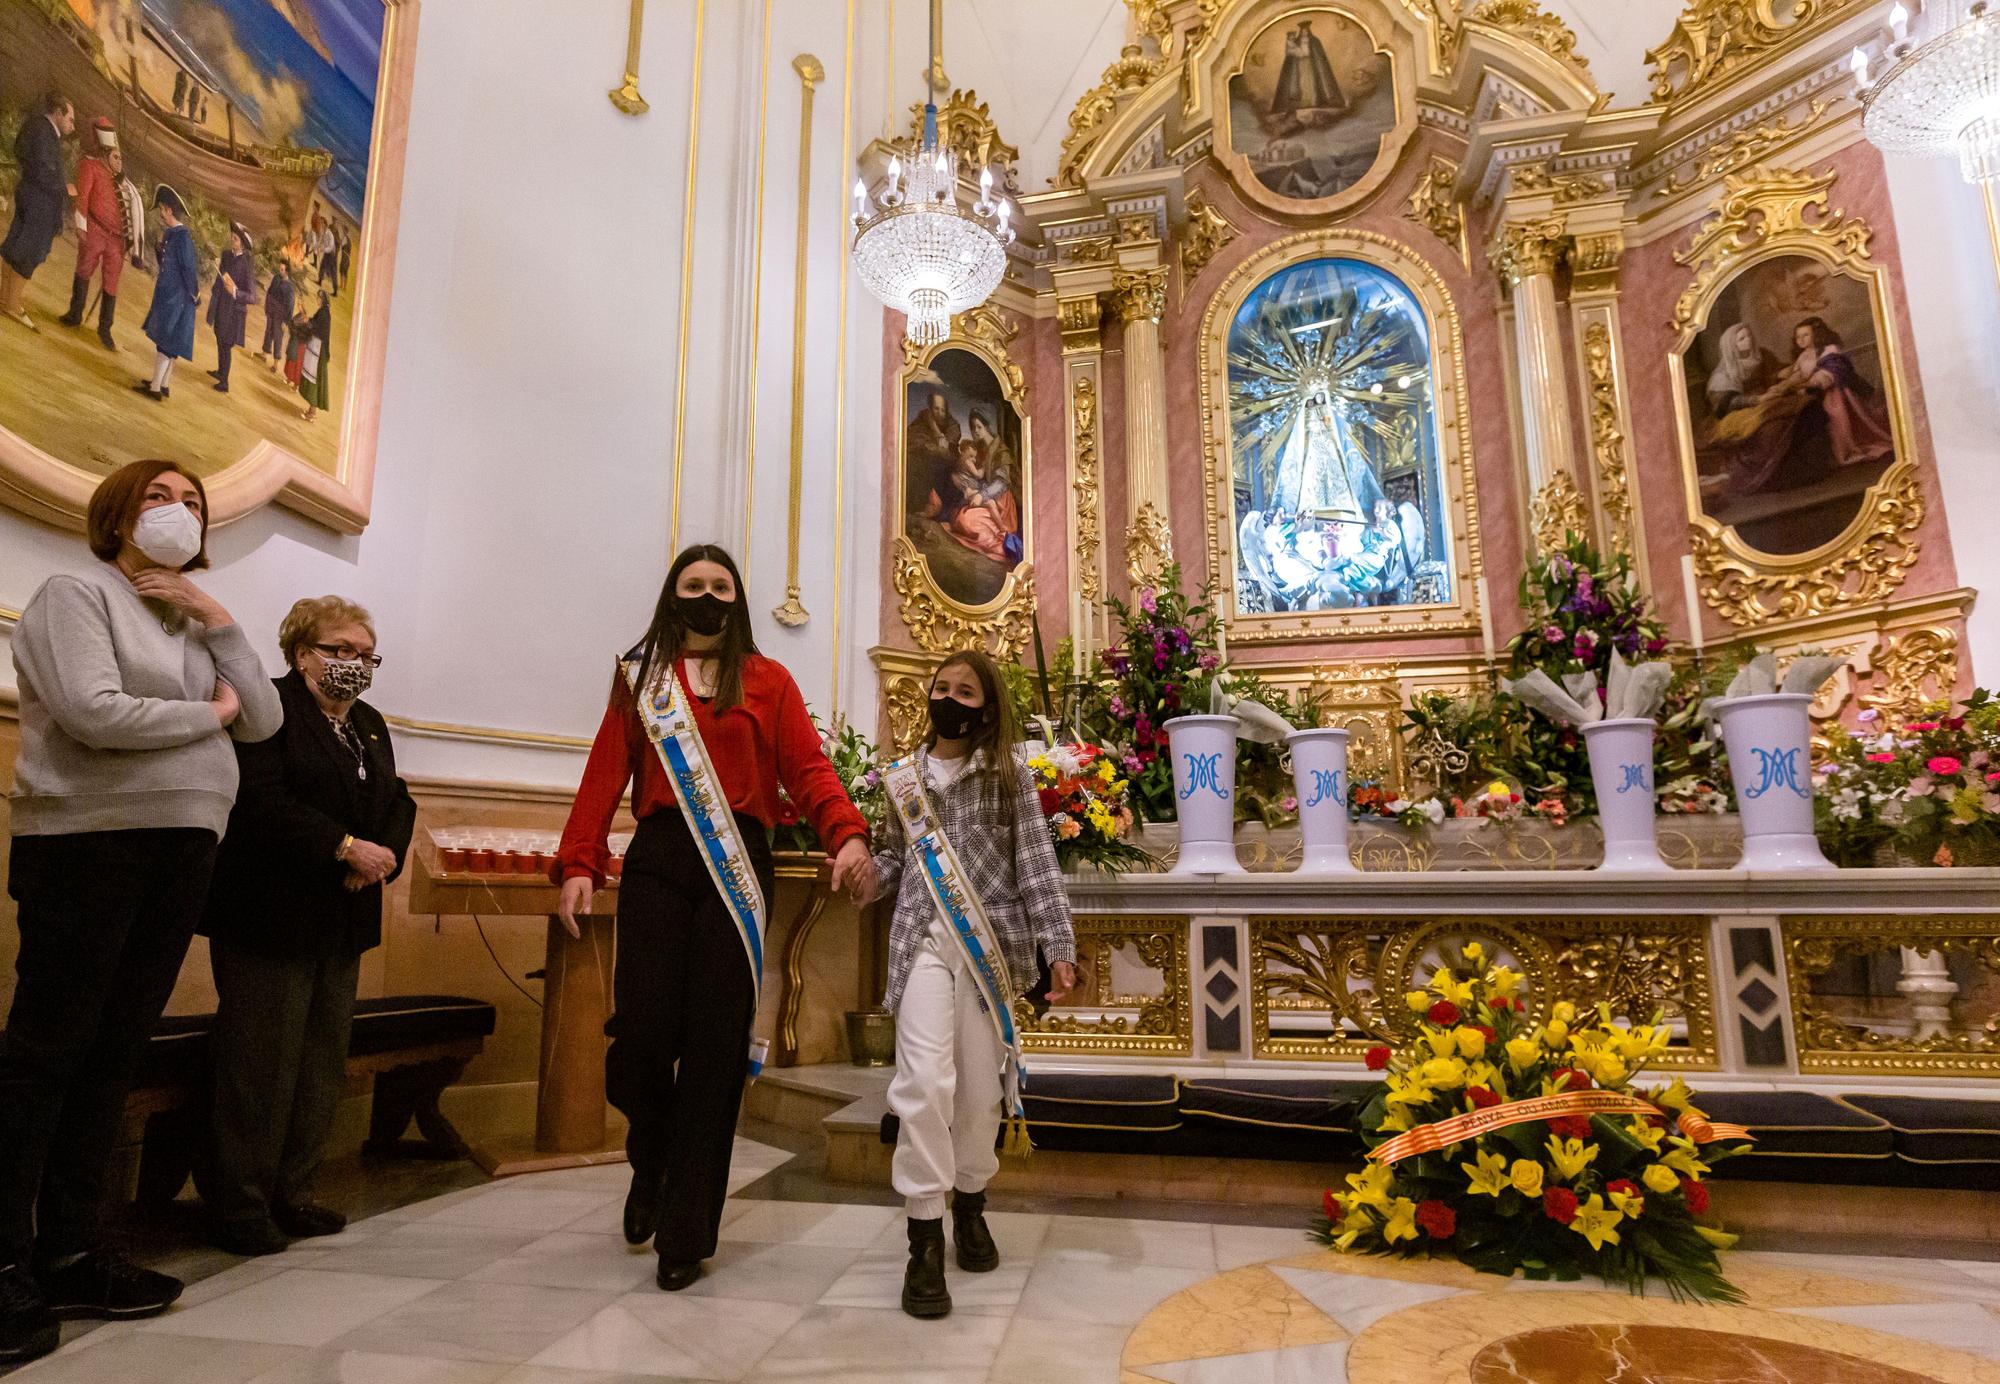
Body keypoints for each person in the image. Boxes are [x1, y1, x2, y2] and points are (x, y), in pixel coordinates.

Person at [0, 461, 284, 1366]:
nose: (179, 512)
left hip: (184, 844)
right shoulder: (73, 592)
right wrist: (210, 717)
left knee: (114, 1052)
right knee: (47, 1052)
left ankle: (76, 1248)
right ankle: (5, 1260)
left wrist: (225, 628)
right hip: (88, 842)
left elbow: (266, 721)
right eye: (160, 497)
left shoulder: (193, 622)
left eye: (194, 503)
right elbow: (92, 712)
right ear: (120, 512)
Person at [554, 544, 876, 1292]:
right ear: (672, 596)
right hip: (661, 860)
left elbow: (809, 772)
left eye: (720, 585)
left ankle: (686, 1231)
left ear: (738, 598)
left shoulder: (769, 681)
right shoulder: (641, 680)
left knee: (715, 1049)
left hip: (738, 865)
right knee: (640, 1038)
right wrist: (579, 862)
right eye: (692, 585)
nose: (707, 595)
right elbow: (606, 772)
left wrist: (848, 834)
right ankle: (651, 1152)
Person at [196, 597, 413, 1257]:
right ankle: (239, 1205)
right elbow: (259, 801)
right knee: (259, 1064)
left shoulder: (369, 723)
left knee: (319, 1062)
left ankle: (293, 1192)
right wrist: (343, 846)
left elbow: (396, 800)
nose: (353, 663)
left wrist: (381, 856)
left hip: (342, 917)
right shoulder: (270, 707)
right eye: (338, 650)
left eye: (364, 653)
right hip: (270, 914)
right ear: (300, 653)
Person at [869, 650, 1077, 1320]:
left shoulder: (1005, 772)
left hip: (991, 954)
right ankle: (924, 1234)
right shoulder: (902, 779)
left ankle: (973, 1203)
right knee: (926, 1084)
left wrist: (1059, 944)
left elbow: (1037, 860)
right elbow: (891, 858)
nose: (950, 700)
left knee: (981, 1097)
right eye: (941, 688)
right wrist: (861, 875)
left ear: (987, 708)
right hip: (923, 945)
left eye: (965, 691)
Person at [1, 92, 76, 331]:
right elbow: (44, 171)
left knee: (14, 247)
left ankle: (5, 299)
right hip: (40, 204)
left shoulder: (34, 125)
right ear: (58, 112)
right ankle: (11, 305)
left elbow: (21, 153)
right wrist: (65, 188)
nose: (72, 125)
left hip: (27, 195)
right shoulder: (46, 133)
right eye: (70, 119)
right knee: (28, 253)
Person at [58, 118, 127, 350]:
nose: (119, 162)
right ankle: (75, 313)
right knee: (84, 269)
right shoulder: (90, 167)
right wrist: (81, 224)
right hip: (95, 230)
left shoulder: (122, 183)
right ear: (106, 154)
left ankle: (105, 328)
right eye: (116, 157)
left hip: (116, 240)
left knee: (111, 283)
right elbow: (83, 197)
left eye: (121, 157)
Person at [136, 185, 199, 401]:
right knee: (169, 342)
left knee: (167, 342)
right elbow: (169, 264)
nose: (161, 214)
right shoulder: (173, 235)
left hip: (177, 299)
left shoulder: (182, 237)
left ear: (169, 210)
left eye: (162, 209)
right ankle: (163, 384)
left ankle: (155, 389)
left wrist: (194, 295)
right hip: (170, 297)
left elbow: (188, 269)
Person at [207, 223, 256, 393]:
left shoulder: (246, 265)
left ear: (242, 243)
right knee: (219, 338)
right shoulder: (227, 255)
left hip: (234, 312)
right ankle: (220, 372)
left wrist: (235, 292)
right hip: (221, 305)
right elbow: (221, 278)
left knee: (226, 344)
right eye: (232, 237)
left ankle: (225, 382)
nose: (232, 240)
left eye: (235, 239)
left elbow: (252, 296)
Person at [296, 288, 332, 421]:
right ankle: (311, 410)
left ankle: (312, 413)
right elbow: (315, 323)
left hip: (319, 351)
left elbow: (320, 330)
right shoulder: (322, 312)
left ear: (322, 300)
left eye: (318, 298)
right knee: (312, 378)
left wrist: (309, 322)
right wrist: (308, 321)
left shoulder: (325, 314)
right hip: (316, 349)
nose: (317, 300)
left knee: (314, 379)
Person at [261, 264, 296, 367]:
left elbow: (290, 306)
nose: (279, 270)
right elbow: (270, 292)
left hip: (280, 315)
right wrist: (267, 307)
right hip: (271, 310)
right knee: (268, 332)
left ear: (287, 272)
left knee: (277, 337)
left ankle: (275, 363)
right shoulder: (276, 278)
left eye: (282, 269)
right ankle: (264, 354)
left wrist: (286, 322)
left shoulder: (290, 287)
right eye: (280, 268)